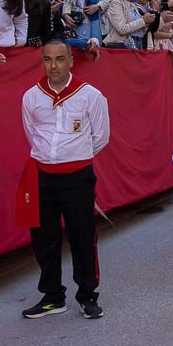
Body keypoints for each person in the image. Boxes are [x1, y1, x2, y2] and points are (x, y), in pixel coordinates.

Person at [15, 37, 110, 320]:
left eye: (59, 59)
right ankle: (53, 295)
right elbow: (31, 133)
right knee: (44, 238)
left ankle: (87, 295)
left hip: (78, 176)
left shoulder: (90, 95)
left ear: (71, 61)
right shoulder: (31, 96)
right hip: (42, 175)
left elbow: (101, 137)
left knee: (82, 237)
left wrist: (74, 155)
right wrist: (51, 157)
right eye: (47, 59)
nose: (53, 65)